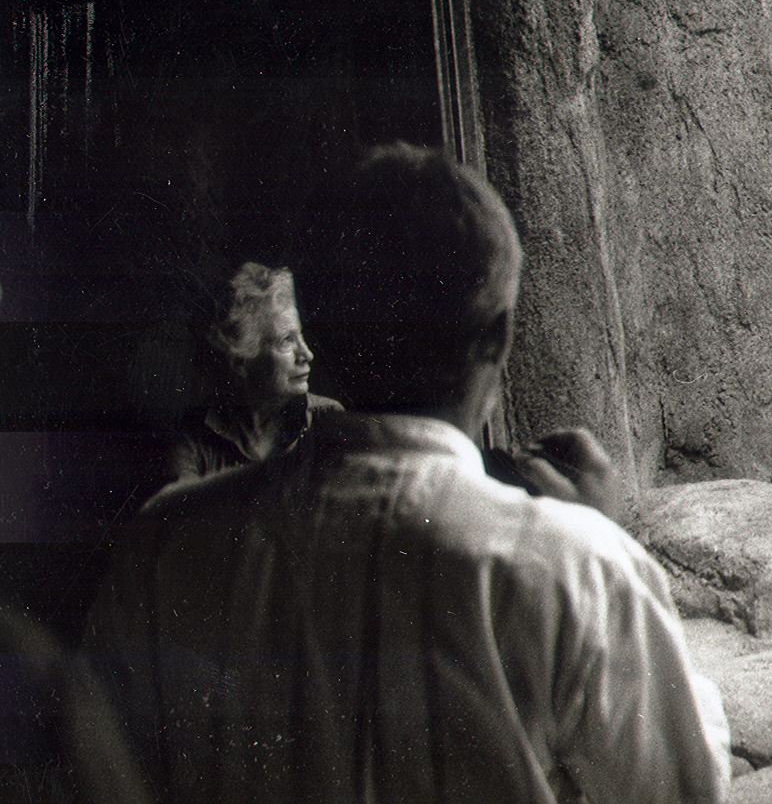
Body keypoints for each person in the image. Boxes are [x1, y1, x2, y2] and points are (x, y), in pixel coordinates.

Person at [81, 144, 730, 804]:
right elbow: (684, 789)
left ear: (320, 334)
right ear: (497, 337)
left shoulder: (161, 543)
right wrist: (603, 535)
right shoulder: (577, 567)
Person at [163, 262, 342, 485]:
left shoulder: (329, 419)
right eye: (286, 341)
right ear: (240, 362)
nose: (307, 354)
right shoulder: (192, 444)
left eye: (300, 336)